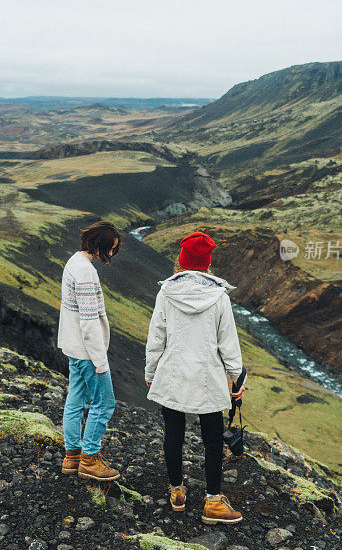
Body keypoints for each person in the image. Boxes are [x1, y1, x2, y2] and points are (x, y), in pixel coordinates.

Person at [145, 230, 246, 524]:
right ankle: (213, 503)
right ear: (207, 263)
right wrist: (237, 380)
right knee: (212, 439)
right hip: (208, 377)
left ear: (182, 261)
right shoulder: (219, 298)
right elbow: (229, 344)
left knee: (173, 434)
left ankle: (177, 492)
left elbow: (156, 339)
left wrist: (151, 372)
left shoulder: (166, 293)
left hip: (172, 374)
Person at [58, 220, 123, 481]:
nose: (110, 254)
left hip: (73, 347)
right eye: (110, 248)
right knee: (104, 402)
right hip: (87, 351)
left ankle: (72, 456)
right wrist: (100, 360)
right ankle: (89, 459)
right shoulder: (85, 272)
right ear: (98, 244)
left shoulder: (73, 262)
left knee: (75, 401)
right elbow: (88, 320)